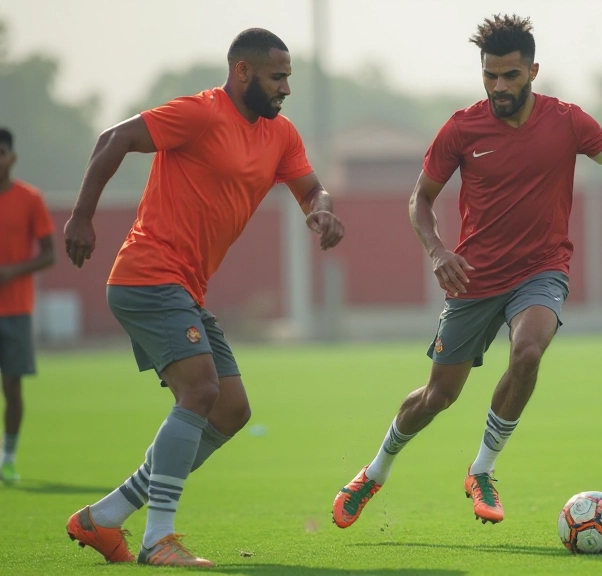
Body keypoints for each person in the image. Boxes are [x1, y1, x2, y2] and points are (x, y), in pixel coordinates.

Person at [332, 14, 602, 529]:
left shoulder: (568, 121)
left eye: (510, 75)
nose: (498, 86)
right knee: (437, 397)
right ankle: (374, 473)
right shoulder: (462, 127)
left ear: (533, 71)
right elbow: (420, 199)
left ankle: (483, 470)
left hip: (541, 269)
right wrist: (438, 251)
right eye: (490, 75)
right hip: (474, 278)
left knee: (528, 350)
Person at [62, 28, 344, 567]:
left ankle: (106, 516)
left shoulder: (280, 135)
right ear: (243, 72)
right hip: (148, 275)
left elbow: (312, 189)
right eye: (277, 76)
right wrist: (81, 216)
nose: (286, 87)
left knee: (232, 409)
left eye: (288, 77)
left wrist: (322, 208)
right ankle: (158, 539)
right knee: (199, 391)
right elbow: (112, 139)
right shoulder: (200, 113)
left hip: (185, 289)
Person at [0, 128, 57, 485]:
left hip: (16, 310)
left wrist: (12, 271)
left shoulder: (29, 198)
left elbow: (50, 254)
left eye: (1, 152)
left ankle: (8, 457)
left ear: (12, 157)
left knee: (13, 387)